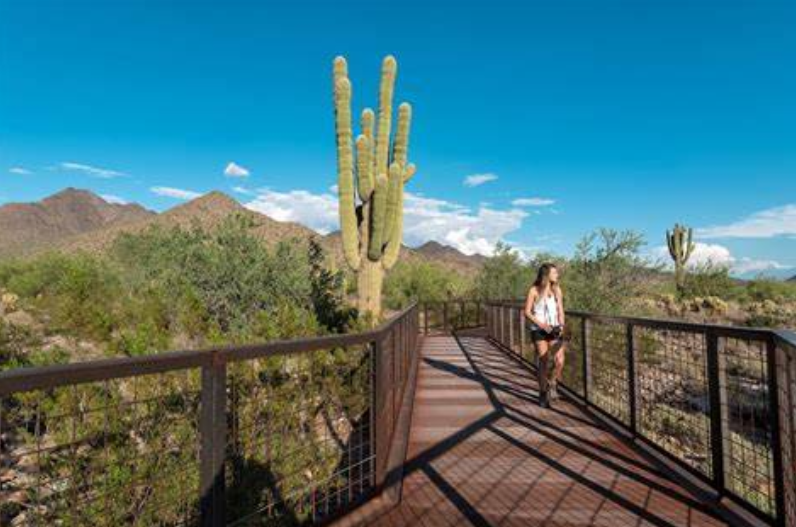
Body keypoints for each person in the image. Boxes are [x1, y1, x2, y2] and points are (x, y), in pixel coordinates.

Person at [524, 263, 567, 408]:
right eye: (554, 272)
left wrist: (561, 326)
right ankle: (543, 393)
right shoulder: (534, 290)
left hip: (555, 329)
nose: (557, 275)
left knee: (559, 360)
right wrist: (541, 325)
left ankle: (552, 383)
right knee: (543, 360)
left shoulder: (557, 290)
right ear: (546, 274)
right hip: (539, 329)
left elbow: (561, 310)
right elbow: (527, 312)